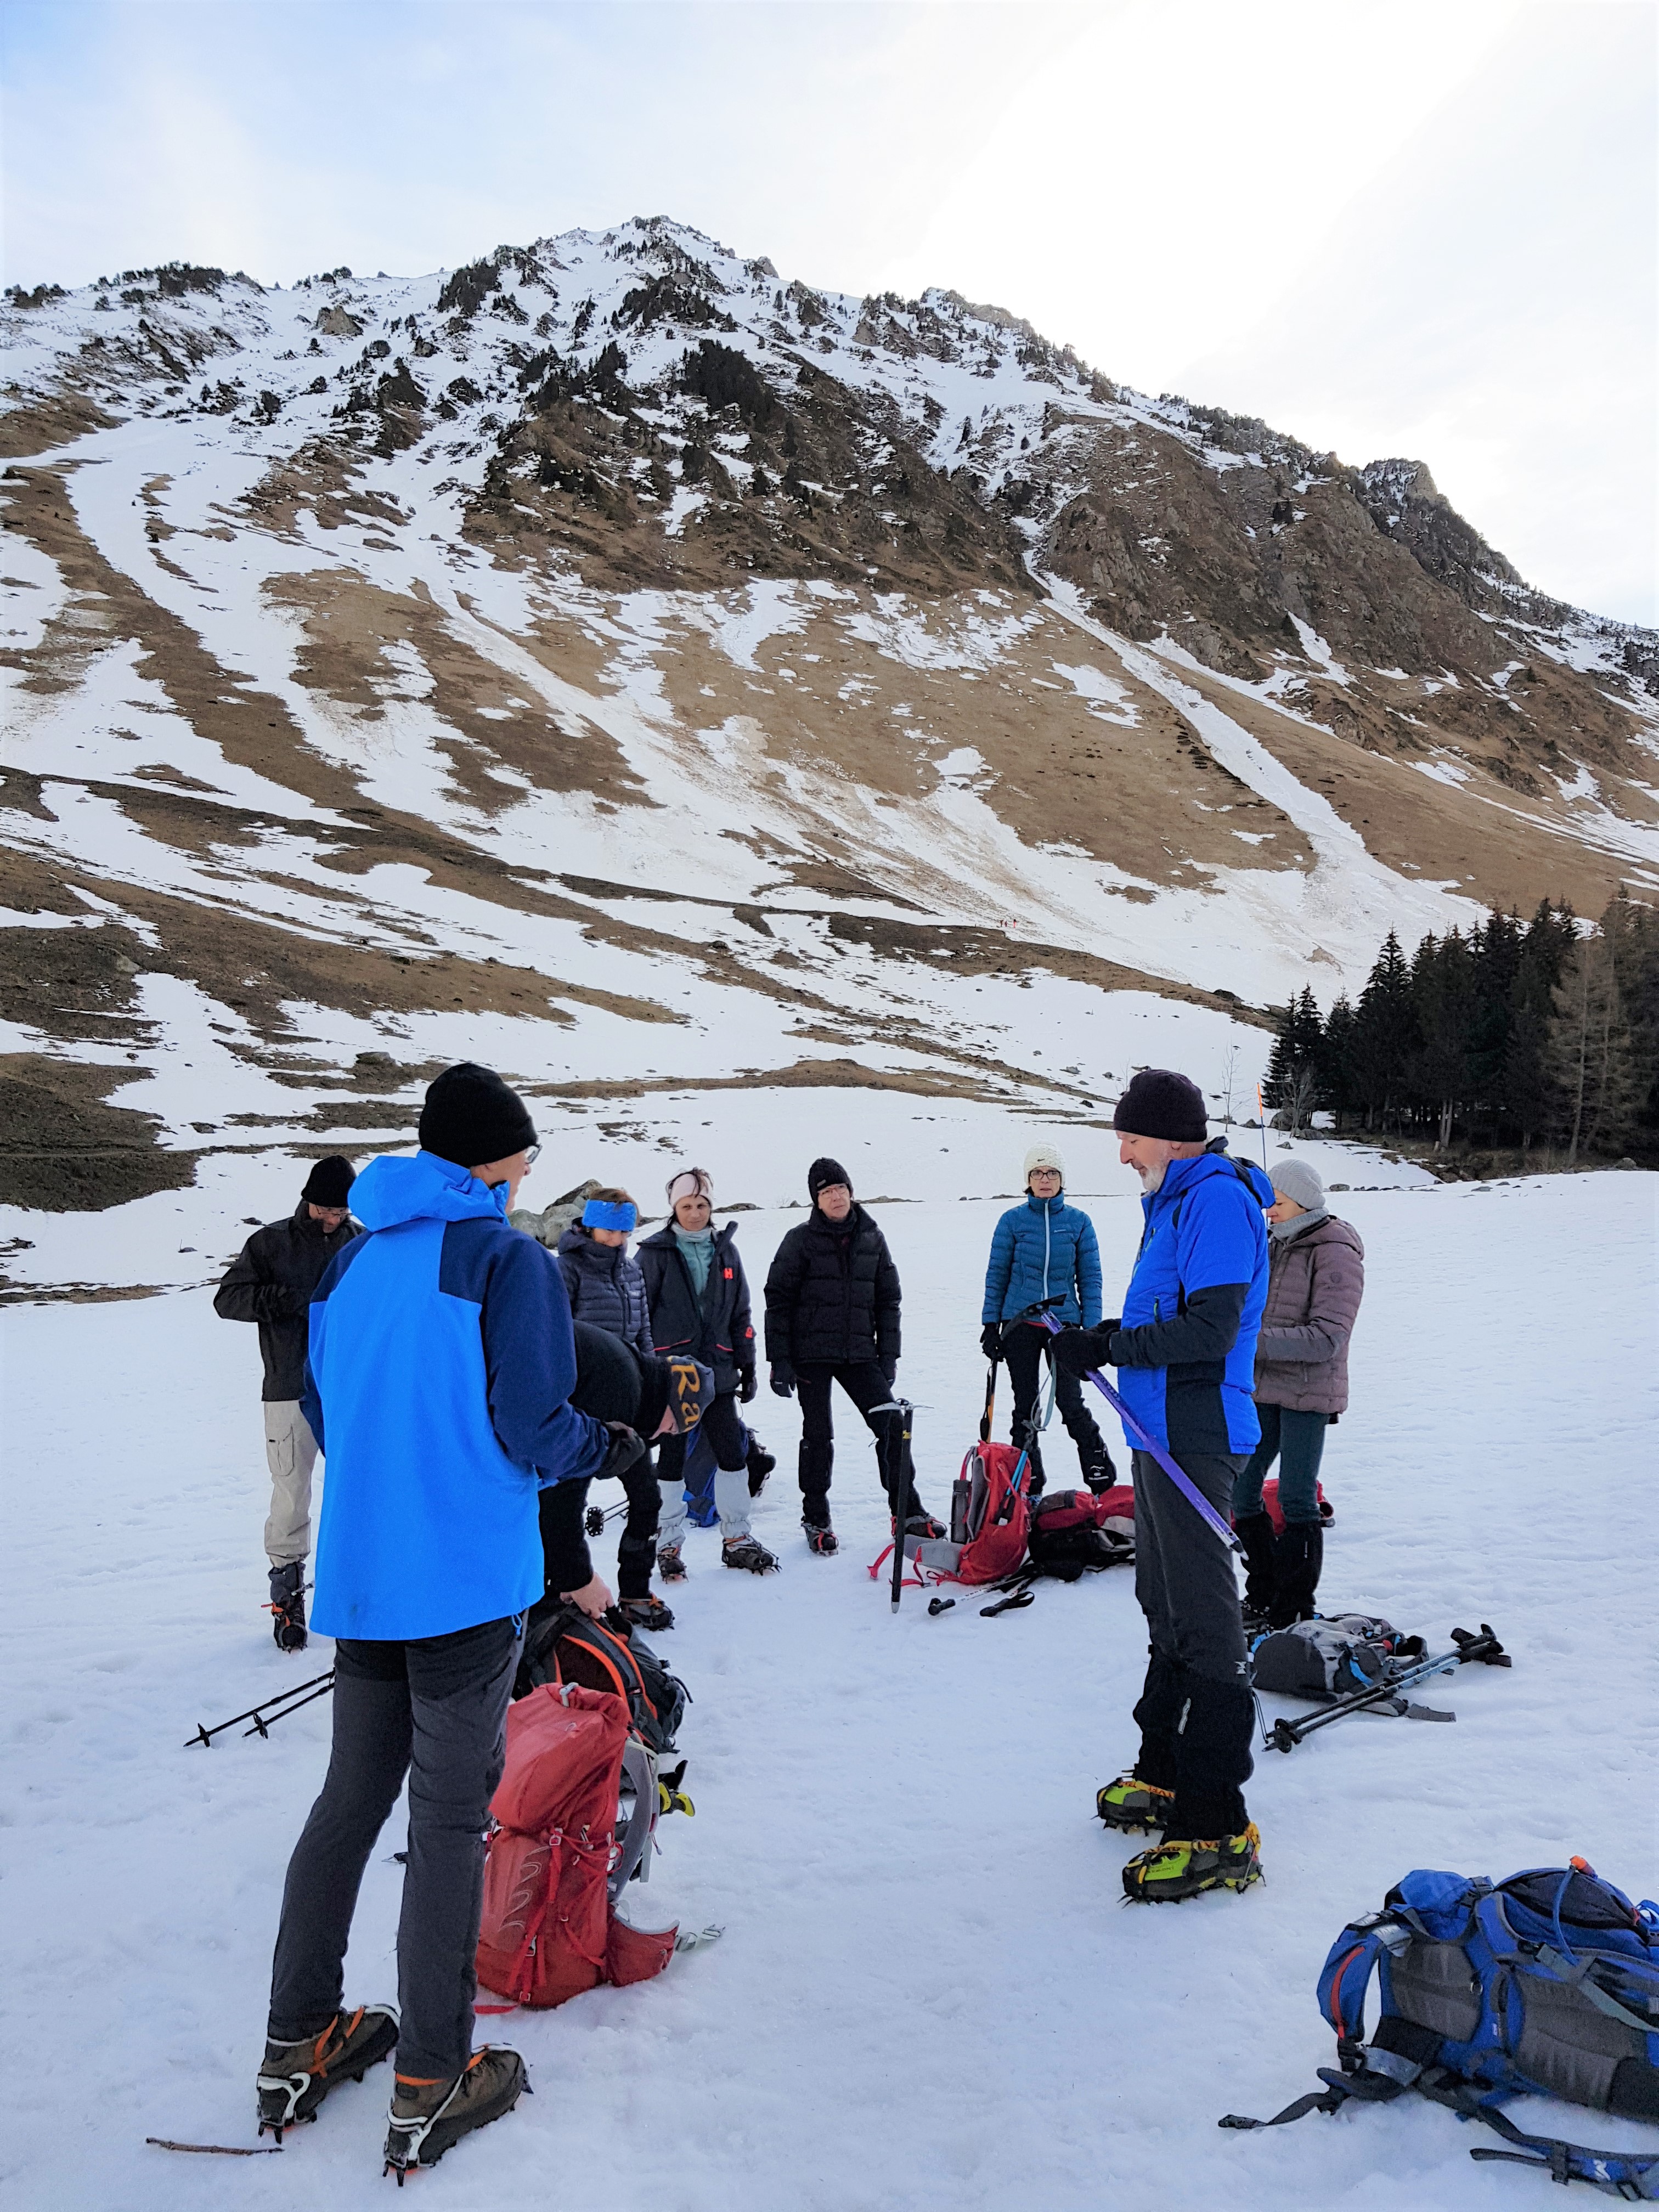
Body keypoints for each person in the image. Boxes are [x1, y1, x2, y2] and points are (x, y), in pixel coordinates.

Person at [257, 1063, 637, 2178]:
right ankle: (431, 2075)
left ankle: (295, 2040)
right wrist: (613, 1446)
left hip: (366, 1574)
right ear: (494, 1159)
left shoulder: (353, 1257)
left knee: (347, 1802)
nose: (527, 1171)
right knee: (449, 1820)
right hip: (465, 1581)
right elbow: (533, 1423)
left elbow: (323, 1403)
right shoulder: (504, 1257)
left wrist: (392, 1472)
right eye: (522, 1154)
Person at [1052, 1070, 1272, 1904]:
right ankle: (1167, 1770)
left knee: (1206, 1621)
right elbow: (1166, 1316)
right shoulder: (1172, 1201)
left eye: (1131, 1139)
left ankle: (1217, 1825)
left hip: (1196, 1431)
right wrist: (1105, 1336)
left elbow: (1212, 1329)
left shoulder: (1214, 1200)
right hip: (1156, 1429)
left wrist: (1110, 1349)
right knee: (1164, 1603)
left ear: (1172, 1138)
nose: (1122, 1154)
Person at [215, 1156, 360, 1650]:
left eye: (341, 1211)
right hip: (288, 1389)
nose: (334, 1219)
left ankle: (360, 1590)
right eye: (326, 1210)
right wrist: (287, 1300)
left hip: (348, 1392)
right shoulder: (270, 1243)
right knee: (291, 1496)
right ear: (308, 1200)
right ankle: (287, 1600)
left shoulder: (361, 1242)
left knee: (358, 1490)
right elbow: (227, 1300)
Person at [764, 1156, 936, 1555]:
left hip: (860, 1353)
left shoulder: (872, 1237)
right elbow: (779, 1301)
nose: (836, 1196)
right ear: (816, 1200)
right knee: (818, 1435)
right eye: (826, 1192)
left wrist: (888, 1357)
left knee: (892, 1425)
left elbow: (888, 1301)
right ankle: (816, 1517)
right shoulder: (799, 1240)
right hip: (811, 1355)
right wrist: (781, 1361)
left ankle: (907, 1511)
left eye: (840, 1188)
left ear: (851, 1192)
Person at [1234, 1157, 1364, 1630]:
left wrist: (1251, 1342)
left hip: (1310, 1392)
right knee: (1242, 1490)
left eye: (1279, 1202)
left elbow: (1329, 1336)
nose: (1269, 1210)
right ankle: (1264, 1592)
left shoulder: (1335, 1250)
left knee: (1296, 1497)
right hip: (1264, 1387)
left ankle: (1294, 1605)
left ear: (1304, 1202)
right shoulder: (1274, 1241)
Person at [638, 1168, 776, 1576]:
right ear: (674, 1208)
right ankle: (667, 1543)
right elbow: (640, 1315)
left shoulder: (726, 1251)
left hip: (718, 1371)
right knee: (673, 1457)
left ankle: (737, 1538)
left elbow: (741, 1313)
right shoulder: (654, 1253)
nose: (695, 1213)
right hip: (673, 1373)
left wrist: (747, 1364)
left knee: (731, 1453)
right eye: (687, 1206)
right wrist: (646, 1369)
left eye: (701, 1205)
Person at [534, 1321, 712, 1634]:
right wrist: (578, 1578)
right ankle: (545, 1597)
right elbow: (562, 1493)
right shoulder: (619, 1387)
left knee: (648, 1498)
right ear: (672, 1404)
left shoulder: (642, 1386)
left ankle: (634, 1593)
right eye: (672, 1428)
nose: (665, 1436)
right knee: (548, 1507)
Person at [555, 1190, 675, 1626]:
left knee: (647, 1497)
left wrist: (650, 1383)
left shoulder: (631, 1271)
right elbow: (553, 1335)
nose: (618, 1240)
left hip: (632, 1399)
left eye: (625, 1232)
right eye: (609, 1230)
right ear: (590, 1225)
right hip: (582, 1405)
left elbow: (644, 1333)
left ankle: (635, 1591)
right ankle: (566, 1590)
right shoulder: (566, 1269)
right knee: (566, 1506)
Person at [980, 1143, 1114, 1493]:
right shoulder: (1012, 1221)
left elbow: (1091, 1278)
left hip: (1064, 1326)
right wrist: (991, 1324)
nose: (1045, 1179)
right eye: (1037, 1173)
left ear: (1061, 1179)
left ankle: (1100, 1475)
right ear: (1028, 1179)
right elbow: (997, 1274)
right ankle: (1029, 1482)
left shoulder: (1078, 1222)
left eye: (1052, 1173)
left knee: (1070, 1402)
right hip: (1019, 1325)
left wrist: (1092, 1331)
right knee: (1025, 1405)